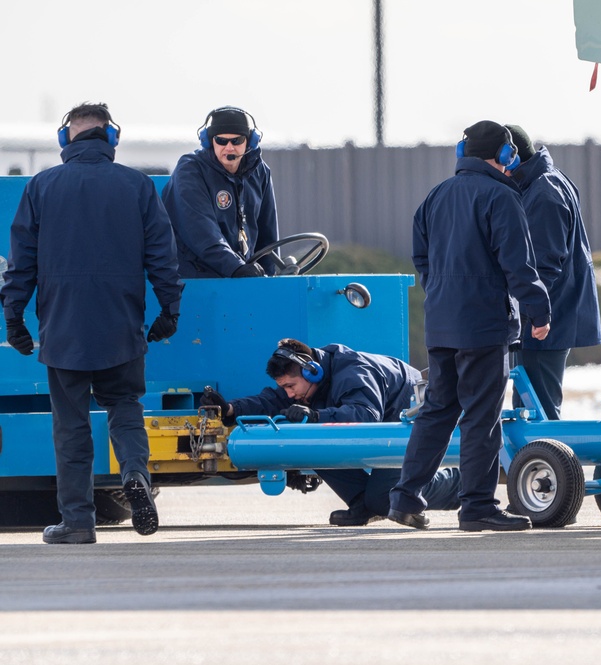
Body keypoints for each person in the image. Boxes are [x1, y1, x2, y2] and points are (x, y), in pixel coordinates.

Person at [1, 102, 183, 544]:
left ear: (67, 139)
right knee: (125, 411)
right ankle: (135, 475)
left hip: (63, 328)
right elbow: (163, 258)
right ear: (111, 138)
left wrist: (14, 320)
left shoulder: (41, 186)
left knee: (71, 425)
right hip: (121, 325)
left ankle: (78, 522)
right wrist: (168, 313)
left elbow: (21, 263)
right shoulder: (138, 186)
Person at [388, 120, 551, 532]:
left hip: (442, 324)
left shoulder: (436, 196)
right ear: (505, 156)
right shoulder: (502, 197)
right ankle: (477, 506)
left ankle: (406, 498)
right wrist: (539, 311)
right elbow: (519, 264)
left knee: (437, 412)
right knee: (482, 416)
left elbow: (420, 258)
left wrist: (442, 293)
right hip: (483, 326)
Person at [200, 339, 461, 525]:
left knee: (386, 500)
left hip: (407, 420)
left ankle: (459, 483)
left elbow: (365, 416)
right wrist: (231, 409)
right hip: (385, 422)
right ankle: (362, 502)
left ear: (311, 372)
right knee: (309, 440)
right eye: (286, 388)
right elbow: (270, 400)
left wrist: (314, 415)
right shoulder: (309, 379)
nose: (290, 394)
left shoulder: (353, 372)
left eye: (291, 386)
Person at [505, 125, 601, 420]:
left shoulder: (543, 194)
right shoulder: (546, 181)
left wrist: (532, 313)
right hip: (546, 316)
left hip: (545, 321)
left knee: (538, 410)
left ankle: (546, 465)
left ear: (511, 159)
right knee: (531, 405)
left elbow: (544, 265)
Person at [161, 106, 280, 278]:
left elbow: (268, 237)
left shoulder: (260, 172)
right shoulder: (190, 171)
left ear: (250, 141)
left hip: (239, 276)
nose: (229, 147)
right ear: (209, 141)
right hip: (196, 280)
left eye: (237, 141)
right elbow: (202, 232)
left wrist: (269, 279)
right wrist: (236, 268)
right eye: (221, 141)